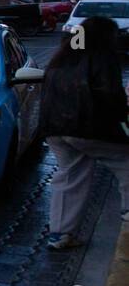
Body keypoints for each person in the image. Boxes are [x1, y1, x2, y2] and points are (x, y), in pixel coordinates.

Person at [38, 15, 129, 251]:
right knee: (125, 162)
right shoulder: (102, 58)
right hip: (87, 127)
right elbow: (111, 95)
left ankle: (60, 233)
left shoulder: (61, 59)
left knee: (70, 176)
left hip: (55, 128)